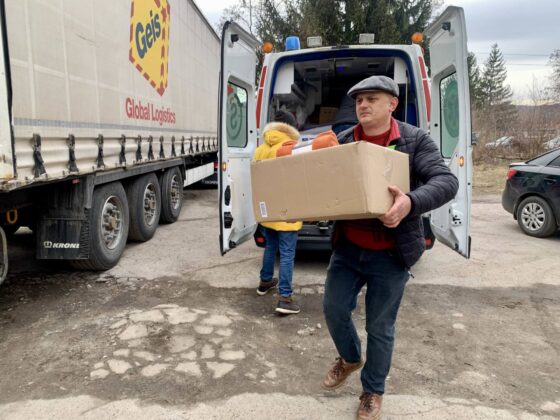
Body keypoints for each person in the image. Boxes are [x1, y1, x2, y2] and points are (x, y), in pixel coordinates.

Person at [321, 75, 459, 420]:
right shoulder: (343, 140)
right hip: (349, 248)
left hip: (391, 255)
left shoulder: (414, 140)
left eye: (371, 99)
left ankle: (372, 392)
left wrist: (410, 203)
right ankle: (350, 358)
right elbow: (316, 172)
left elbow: (446, 181)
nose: (363, 106)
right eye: (358, 101)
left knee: (380, 327)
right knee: (334, 309)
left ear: (392, 104)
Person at [254, 110, 302, 315]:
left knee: (271, 247)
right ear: (290, 128)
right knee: (287, 254)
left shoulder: (261, 149)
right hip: (287, 210)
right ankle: (285, 298)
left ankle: (265, 282)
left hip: (269, 210)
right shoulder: (290, 148)